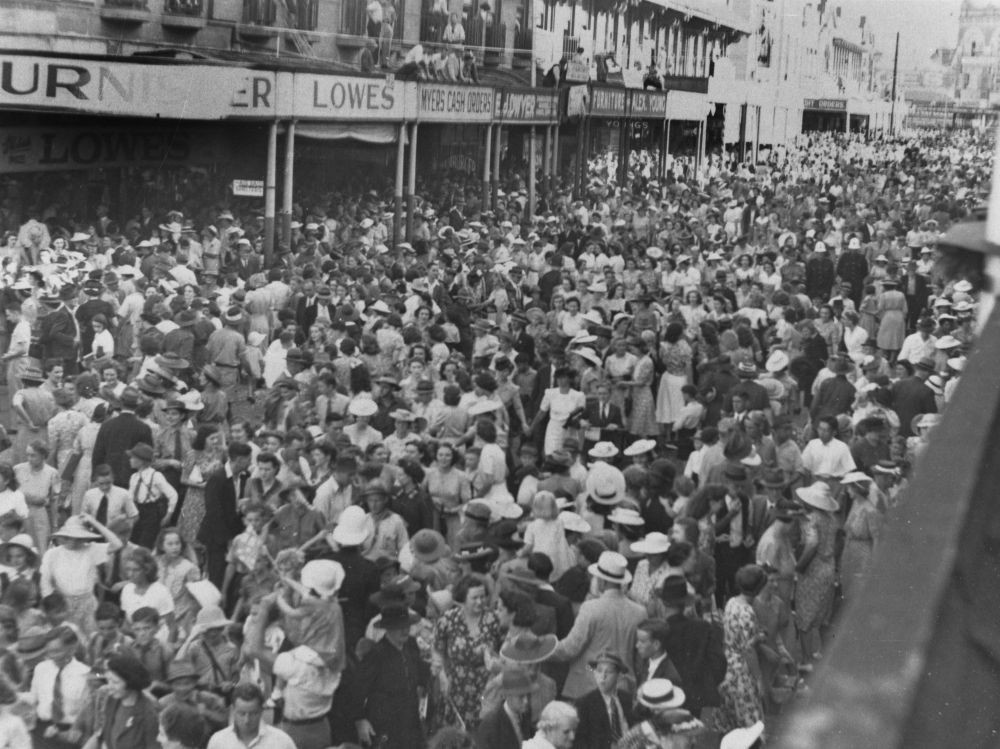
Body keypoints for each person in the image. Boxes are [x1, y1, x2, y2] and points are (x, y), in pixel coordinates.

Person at [549, 551, 646, 699]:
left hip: (589, 686)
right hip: (623, 685)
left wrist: (543, 649)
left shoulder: (591, 608)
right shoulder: (640, 612)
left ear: (602, 581)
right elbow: (639, 658)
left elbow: (570, 648)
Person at [433, 573, 503, 730]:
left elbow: (501, 650)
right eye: (475, 598)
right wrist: (442, 676)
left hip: (486, 689)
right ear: (463, 598)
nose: (480, 602)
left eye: (483, 597)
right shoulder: (448, 620)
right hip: (456, 687)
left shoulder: (493, 620)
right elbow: (437, 651)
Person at [356, 603, 429, 749]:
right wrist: (360, 720)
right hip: (385, 725)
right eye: (399, 626)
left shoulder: (411, 646)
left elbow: (421, 674)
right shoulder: (376, 655)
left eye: (407, 625)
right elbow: (357, 690)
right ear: (388, 628)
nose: (405, 630)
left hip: (410, 721)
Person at [713, 565, 767, 733]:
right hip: (741, 672)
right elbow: (748, 650)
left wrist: (757, 636)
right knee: (750, 725)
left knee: (728, 723)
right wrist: (759, 680)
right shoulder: (747, 612)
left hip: (725, 665)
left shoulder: (731, 602)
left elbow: (736, 634)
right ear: (758, 589)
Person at [87, 653, 160, 749]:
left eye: (115, 682)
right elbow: (100, 735)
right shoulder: (111, 700)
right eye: (108, 681)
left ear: (131, 682)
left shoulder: (148, 713)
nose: (109, 687)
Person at [572, 651, 633, 749]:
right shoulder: (585, 703)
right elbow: (579, 741)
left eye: (609, 672)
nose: (603, 677)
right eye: (599, 671)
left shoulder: (627, 699)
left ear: (619, 675)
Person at [206, 682, 296, 749]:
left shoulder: (282, 742)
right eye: (242, 713)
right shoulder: (218, 742)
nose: (247, 720)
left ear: (261, 711)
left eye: (253, 714)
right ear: (233, 710)